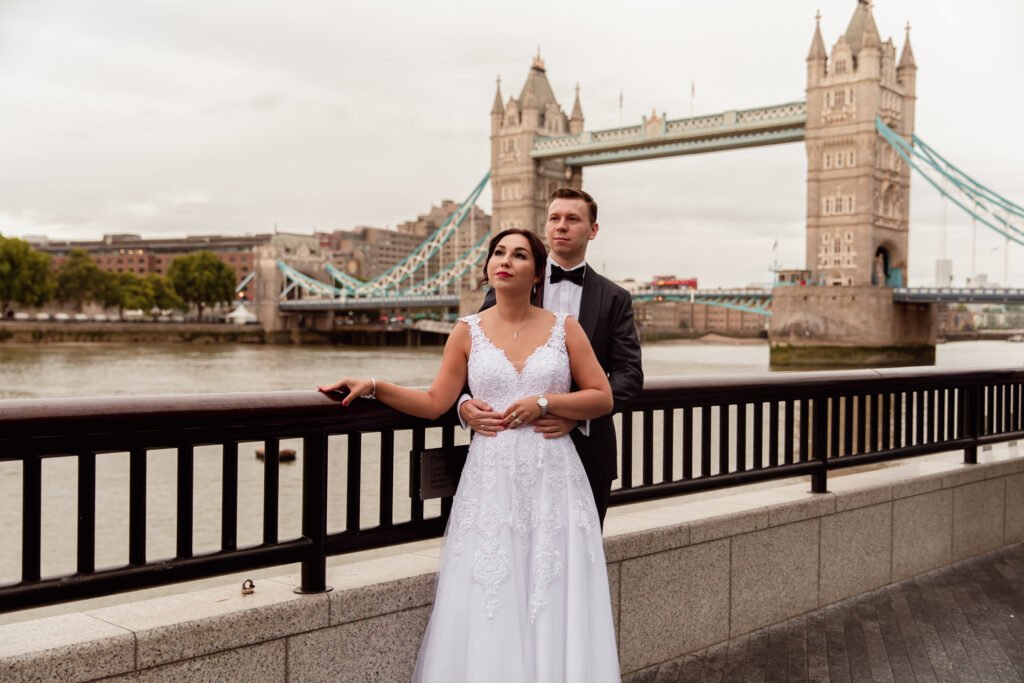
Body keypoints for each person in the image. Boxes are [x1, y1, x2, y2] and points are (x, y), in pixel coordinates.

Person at [318, 228, 621, 682]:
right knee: (491, 592)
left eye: (519, 255)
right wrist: (375, 386)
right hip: (491, 481)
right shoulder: (466, 331)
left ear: (537, 273)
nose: (506, 261)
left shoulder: (565, 328)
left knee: (552, 587)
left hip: (553, 479)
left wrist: (545, 403)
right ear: (487, 267)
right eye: (498, 253)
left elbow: (602, 396)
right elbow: (434, 401)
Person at [460, 188, 644, 524]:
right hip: (510, 448)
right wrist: (464, 403)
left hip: (588, 450)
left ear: (593, 230)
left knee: (577, 551)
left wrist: (576, 414)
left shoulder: (615, 297)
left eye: (572, 219)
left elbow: (629, 375)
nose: (561, 226)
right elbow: (477, 354)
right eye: (554, 218)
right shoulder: (510, 283)